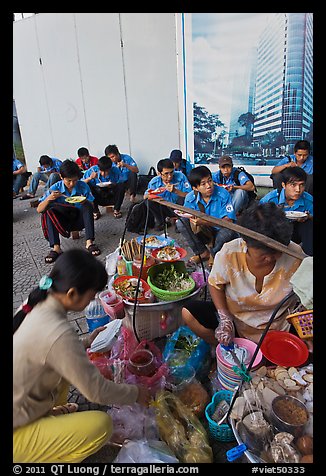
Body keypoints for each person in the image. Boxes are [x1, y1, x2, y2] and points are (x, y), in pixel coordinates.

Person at [13, 249, 151, 463]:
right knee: (101, 425)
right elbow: (96, 391)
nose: (92, 300)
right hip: (16, 430)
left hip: (23, 402)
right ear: (71, 294)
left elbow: (53, 350)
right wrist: (136, 393)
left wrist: (85, 342)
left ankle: (48, 415)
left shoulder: (37, 302)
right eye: (91, 295)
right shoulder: (57, 332)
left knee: (72, 367)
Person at [181, 202, 302, 347]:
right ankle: (230, 348)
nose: (271, 258)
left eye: (278, 252)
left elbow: (307, 296)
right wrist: (225, 319)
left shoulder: (295, 255)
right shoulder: (230, 253)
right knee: (189, 312)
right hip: (238, 324)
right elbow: (215, 284)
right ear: (247, 244)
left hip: (280, 327)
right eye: (264, 254)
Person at [37, 159, 101, 263]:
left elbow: (92, 205)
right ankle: (56, 248)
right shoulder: (55, 188)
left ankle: (89, 242)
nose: (72, 184)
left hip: (80, 221)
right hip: (62, 223)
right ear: (61, 177)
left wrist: (84, 201)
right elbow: (39, 209)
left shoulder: (83, 186)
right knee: (49, 210)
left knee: (87, 205)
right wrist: (49, 198)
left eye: (75, 180)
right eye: (68, 181)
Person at [176, 165, 238, 264]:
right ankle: (202, 252)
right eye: (203, 184)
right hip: (203, 230)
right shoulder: (190, 197)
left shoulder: (223, 194)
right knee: (181, 223)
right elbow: (185, 214)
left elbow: (229, 221)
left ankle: (214, 254)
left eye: (210, 181)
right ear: (195, 188)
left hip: (220, 229)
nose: (209, 186)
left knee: (228, 231)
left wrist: (205, 222)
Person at [260, 166, 313, 256]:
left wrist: (308, 217)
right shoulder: (271, 199)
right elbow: (258, 217)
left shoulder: (308, 200)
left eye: (301, 185)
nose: (298, 190)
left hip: (295, 233)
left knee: (308, 224)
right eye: (293, 185)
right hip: (276, 233)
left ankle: (309, 258)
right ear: (284, 185)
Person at [144, 158, 191, 231]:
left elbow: (190, 195)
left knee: (183, 198)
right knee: (148, 201)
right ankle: (161, 221)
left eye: (172, 172)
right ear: (159, 173)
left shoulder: (181, 177)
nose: (169, 176)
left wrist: (176, 191)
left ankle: (179, 220)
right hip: (164, 207)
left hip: (179, 207)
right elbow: (145, 196)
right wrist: (154, 194)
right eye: (166, 174)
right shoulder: (154, 182)